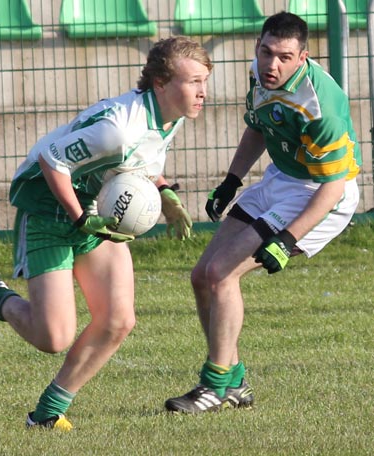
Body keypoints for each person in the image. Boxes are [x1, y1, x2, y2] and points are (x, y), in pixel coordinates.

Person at [0, 36, 213, 430]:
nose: (203, 91)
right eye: (193, 82)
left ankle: (47, 414)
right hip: (49, 209)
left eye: (205, 80)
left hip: (94, 209)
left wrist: (165, 192)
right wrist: (79, 218)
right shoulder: (119, 129)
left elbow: (140, 163)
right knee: (52, 337)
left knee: (117, 320)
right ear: (160, 82)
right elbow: (52, 161)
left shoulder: (167, 117)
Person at [165, 11, 361, 414]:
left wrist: (287, 240)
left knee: (223, 274)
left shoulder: (320, 105)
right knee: (202, 276)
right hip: (281, 178)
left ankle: (214, 386)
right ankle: (235, 383)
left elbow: (333, 187)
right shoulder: (259, 72)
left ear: (303, 57)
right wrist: (232, 181)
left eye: (285, 57)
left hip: (321, 193)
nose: (273, 64)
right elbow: (259, 126)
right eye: (266, 51)